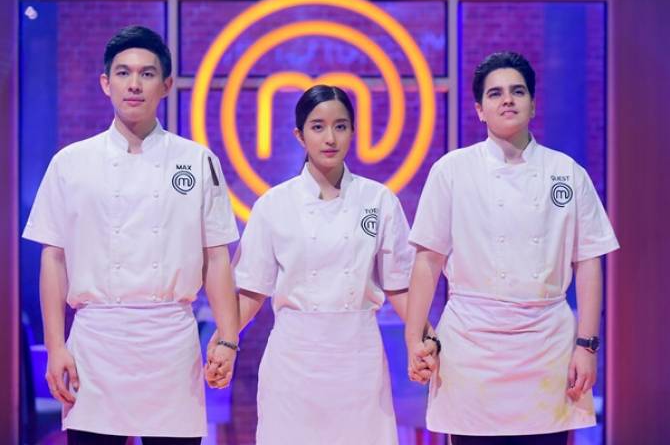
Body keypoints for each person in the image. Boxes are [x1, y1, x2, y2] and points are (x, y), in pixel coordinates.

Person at [22, 25, 240, 444]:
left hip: (171, 343)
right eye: (123, 73)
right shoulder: (70, 162)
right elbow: (53, 258)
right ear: (106, 83)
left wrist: (228, 339)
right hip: (95, 343)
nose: (134, 84)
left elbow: (216, 258)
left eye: (146, 73)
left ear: (166, 85)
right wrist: (55, 346)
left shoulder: (198, 161)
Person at [404, 51, 620, 445]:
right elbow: (427, 261)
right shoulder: (451, 171)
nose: (507, 100)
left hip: (547, 348)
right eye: (495, 93)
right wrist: (414, 339)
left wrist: (587, 346)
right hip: (471, 348)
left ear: (533, 104)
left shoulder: (567, 173)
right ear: (479, 110)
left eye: (517, 91)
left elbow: (589, 262)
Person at [205, 84, 436, 444]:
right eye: (318, 127)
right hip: (293, 362)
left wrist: (425, 336)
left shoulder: (378, 200)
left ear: (353, 131)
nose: (330, 138)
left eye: (340, 126)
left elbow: (400, 286)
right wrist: (224, 340)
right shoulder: (273, 205)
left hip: (358, 359)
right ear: (299, 135)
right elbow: (251, 291)